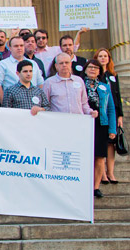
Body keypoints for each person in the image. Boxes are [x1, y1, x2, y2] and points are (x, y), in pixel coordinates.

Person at [82, 59, 117, 198]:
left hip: (101, 123)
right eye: (90, 67)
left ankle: (96, 187)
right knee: (85, 156)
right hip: (84, 123)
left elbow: (111, 109)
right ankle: (84, 185)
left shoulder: (104, 87)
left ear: (100, 72)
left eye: (96, 68)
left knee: (100, 156)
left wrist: (112, 129)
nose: (93, 70)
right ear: (85, 69)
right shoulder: (78, 84)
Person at [94, 48, 124, 184]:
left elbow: (117, 95)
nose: (103, 58)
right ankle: (103, 173)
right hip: (102, 112)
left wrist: (120, 115)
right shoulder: (96, 74)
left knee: (111, 144)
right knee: (103, 143)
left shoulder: (113, 75)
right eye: (100, 56)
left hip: (113, 112)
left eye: (105, 56)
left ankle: (110, 172)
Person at [42, 53, 96, 117]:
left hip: (78, 122)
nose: (64, 65)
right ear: (56, 66)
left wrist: (90, 112)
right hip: (58, 122)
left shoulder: (79, 80)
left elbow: (84, 104)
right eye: (61, 63)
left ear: (71, 64)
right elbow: (45, 105)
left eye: (67, 62)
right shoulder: (49, 83)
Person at [0, 36, 44, 100]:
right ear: (10, 48)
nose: (19, 48)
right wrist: (4, 103)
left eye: (21, 45)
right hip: (13, 104)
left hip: (33, 103)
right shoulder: (3, 64)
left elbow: (40, 83)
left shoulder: (33, 63)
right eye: (16, 46)